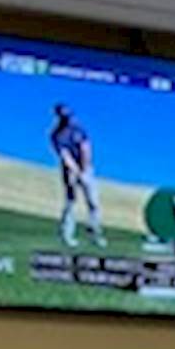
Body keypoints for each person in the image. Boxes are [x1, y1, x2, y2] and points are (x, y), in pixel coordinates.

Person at [50, 102, 104, 248]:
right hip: (69, 171)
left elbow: (86, 148)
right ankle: (67, 235)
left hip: (86, 169)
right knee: (71, 202)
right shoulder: (56, 135)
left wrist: (84, 169)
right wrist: (75, 171)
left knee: (93, 203)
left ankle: (95, 234)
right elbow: (65, 156)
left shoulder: (79, 129)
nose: (68, 118)